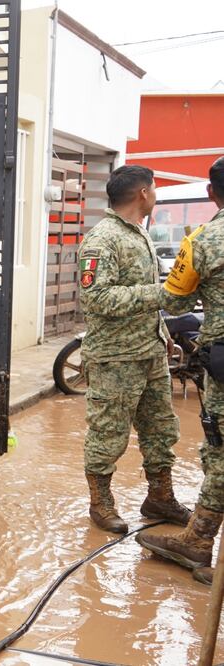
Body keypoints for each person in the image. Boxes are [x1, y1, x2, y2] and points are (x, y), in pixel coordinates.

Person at [76, 164, 189, 535]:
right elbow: (98, 298)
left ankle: (160, 496)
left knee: (160, 429)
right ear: (143, 192)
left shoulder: (139, 233)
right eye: (154, 188)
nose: (155, 193)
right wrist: (160, 294)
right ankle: (101, 504)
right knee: (108, 433)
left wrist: (163, 331)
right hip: (115, 358)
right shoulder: (102, 239)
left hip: (150, 351)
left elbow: (139, 291)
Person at [138, 156, 224, 584]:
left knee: (222, 453)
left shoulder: (203, 242)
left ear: (211, 194)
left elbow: (175, 302)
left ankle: (197, 542)